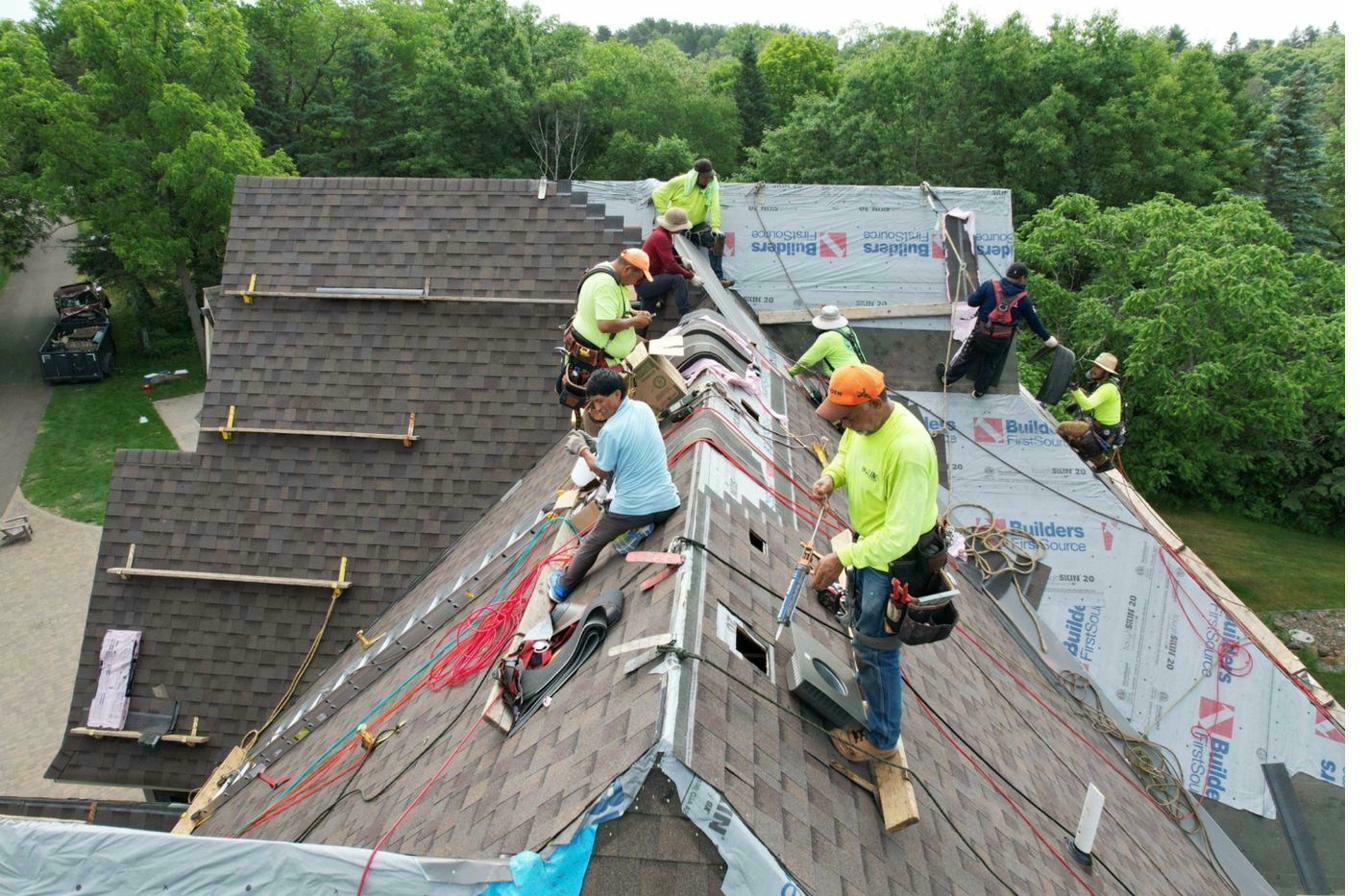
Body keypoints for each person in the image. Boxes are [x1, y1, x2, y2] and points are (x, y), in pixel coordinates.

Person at [807, 365, 940, 762]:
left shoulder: (909, 451)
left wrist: (841, 558)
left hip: (895, 562)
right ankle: (870, 682)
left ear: (877, 402)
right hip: (869, 546)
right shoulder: (860, 425)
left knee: (878, 648)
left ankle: (881, 740)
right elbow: (847, 457)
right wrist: (831, 478)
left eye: (849, 417)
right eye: (840, 418)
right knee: (864, 633)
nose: (845, 424)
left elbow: (899, 537)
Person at [551, 369, 681, 602]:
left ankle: (562, 587)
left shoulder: (611, 430)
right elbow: (625, 448)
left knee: (592, 543)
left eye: (600, 401)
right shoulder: (643, 409)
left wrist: (582, 449)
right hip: (667, 502)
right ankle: (644, 526)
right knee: (629, 505)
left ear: (617, 395)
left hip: (633, 509)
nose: (597, 409)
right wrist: (594, 444)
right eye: (592, 404)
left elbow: (603, 470)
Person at [938, 262, 1058, 398]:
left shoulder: (989, 286)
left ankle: (947, 380)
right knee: (990, 364)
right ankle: (979, 392)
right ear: (1023, 278)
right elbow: (1034, 323)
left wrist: (982, 295)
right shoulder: (1024, 300)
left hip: (981, 334)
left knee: (967, 358)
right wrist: (1048, 339)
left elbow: (972, 302)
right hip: (1001, 339)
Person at [652, 159, 733, 287]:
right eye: (705, 178)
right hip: (679, 225)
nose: (708, 181)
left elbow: (715, 206)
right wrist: (669, 215)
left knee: (717, 240)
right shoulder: (679, 182)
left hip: (697, 225)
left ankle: (719, 278)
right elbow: (657, 195)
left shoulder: (712, 184)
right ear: (697, 176)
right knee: (672, 253)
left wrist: (716, 227)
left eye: (710, 177)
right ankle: (677, 282)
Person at [569, 248, 655, 365]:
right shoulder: (606, 284)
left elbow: (611, 307)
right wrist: (634, 321)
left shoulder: (609, 271)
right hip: (601, 361)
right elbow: (605, 324)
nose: (635, 283)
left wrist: (634, 313)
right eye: (637, 278)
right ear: (627, 270)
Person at [1058, 352, 1124, 465]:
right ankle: (1098, 459)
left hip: (1102, 431)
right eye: (1095, 366)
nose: (1094, 369)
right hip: (1100, 427)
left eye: (1099, 368)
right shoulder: (1104, 385)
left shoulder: (1108, 388)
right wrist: (1079, 392)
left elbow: (1087, 405)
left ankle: (1097, 459)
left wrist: (1075, 390)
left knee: (1062, 428)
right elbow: (1091, 403)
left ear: (1106, 373)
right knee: (1073, 431)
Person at [638, 207, 701, 318]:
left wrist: (681, 259)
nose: (683, 230)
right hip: (645, 284)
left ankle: (640, 333)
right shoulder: (661, 237)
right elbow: (670, 265)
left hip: (650, 281)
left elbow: (668, 257)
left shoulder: (663, 235)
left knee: (646, 317)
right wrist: (691, 276)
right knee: (678, 279)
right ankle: (686, 315)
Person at [789, 305, 866, 377]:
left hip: (842, 378)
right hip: (861, 373)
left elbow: (806, 361)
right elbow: (860, 354)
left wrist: (792, 372)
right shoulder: (849, 331)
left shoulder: (827, 337)